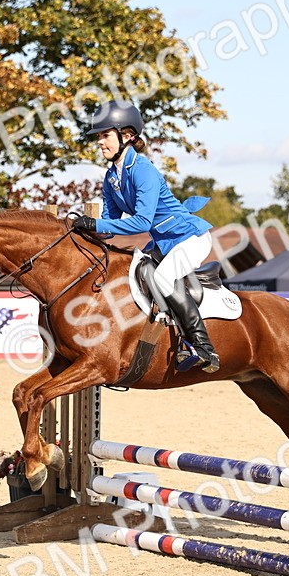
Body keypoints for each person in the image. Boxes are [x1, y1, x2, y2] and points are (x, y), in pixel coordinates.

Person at [73, 100, 220, 372]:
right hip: (161, 244)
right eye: (99, 137)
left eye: (105, 135)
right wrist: (82, 232)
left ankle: (203, 347)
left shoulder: (143, 170)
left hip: (189, 238)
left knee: (163, 278)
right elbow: (109, 224)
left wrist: (94, 222)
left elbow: (141, 221)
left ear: (127, 136)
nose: (100, 143)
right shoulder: (111, 178)